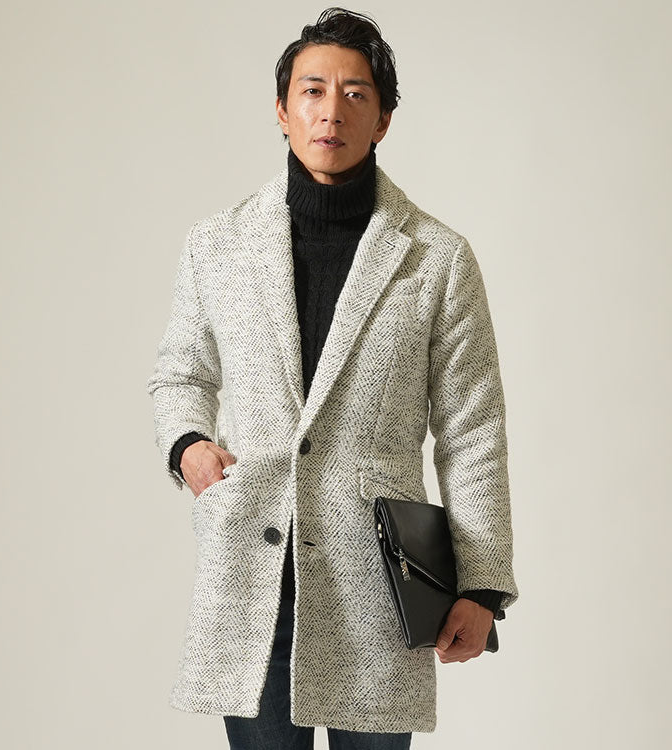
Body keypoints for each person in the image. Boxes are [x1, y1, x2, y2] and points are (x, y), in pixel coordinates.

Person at [146, 7, 519, 749]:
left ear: (383, 120)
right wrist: (188, 446)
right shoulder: (217, 244)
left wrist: (481, 583)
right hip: (252, 571)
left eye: (356, 94)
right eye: (313, 91)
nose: (331, 111)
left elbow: (472, 428)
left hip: (378, 582)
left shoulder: (437, 258)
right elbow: (179, 373)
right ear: (282, 110)